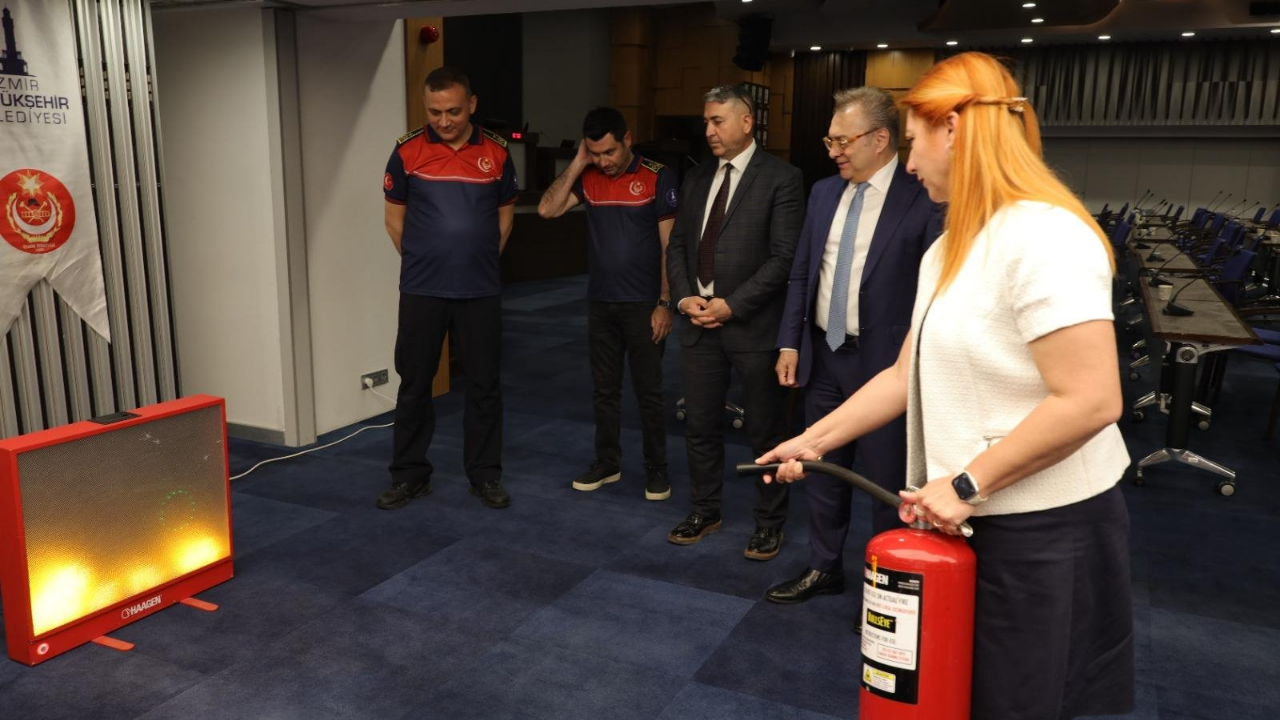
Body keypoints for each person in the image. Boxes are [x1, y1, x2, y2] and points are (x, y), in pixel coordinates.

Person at [758, 52, 1134, 720]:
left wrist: (965, 484)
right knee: (961, 695)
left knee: (1018, 702)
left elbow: (1092, 400)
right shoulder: (951, 244)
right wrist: (812, 441)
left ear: (955, 131)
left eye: (913, 143)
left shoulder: (1046, 235)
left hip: (1042, 527)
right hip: (969, 515)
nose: (907, 165)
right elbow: (903, 374)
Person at [766, 88, 941, 606]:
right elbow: (803, 273)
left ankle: (886, 588)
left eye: (842, 141)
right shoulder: (823, 193)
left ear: (880, 139)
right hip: (824, 355)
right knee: (821, 471)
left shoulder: (922, 195)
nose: (834, 151)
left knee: (885, 483)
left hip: (886, 364)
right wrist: (790, 342)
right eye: (830, 141)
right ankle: (824, 568)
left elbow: (932, 289)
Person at [666, 84, 803, 560]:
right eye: (705, 121)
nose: (708, 130)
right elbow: (678, 245)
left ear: (746, 122)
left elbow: (784, 258)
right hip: (697, 322)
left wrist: (733, 305)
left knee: (765, 433)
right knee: (700, 426)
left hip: (752, 327)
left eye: (717, 121)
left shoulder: (782, 178)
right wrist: (684, 298)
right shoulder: (696, 177)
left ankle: (769, 523)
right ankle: (705, 510)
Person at [377, 66, 518, 511]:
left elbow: (505, 218)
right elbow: (394, 220)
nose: (444, 120)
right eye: (435, 112)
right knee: (414, 383)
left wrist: (477, 259)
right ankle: (409, 476)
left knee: (484, 384)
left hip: (479, 289)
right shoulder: (407, 151)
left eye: (453, 111)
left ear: (471, 105)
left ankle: (485, 474)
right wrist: (427, 260)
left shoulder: (496, 152)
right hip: (423, 288)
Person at [537, 107, 677, 500]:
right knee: (604, 390)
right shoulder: (589, 176)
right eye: (595, 153)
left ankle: (657, 469)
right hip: (600, 303)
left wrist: (665, 302)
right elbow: (547, 209)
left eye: (610, 152)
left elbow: (670, 245)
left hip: (644, 305)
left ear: (627, 139)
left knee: (649, 393)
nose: (604, 161)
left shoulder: (657, 176)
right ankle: (607, 462)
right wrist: (578, 162)